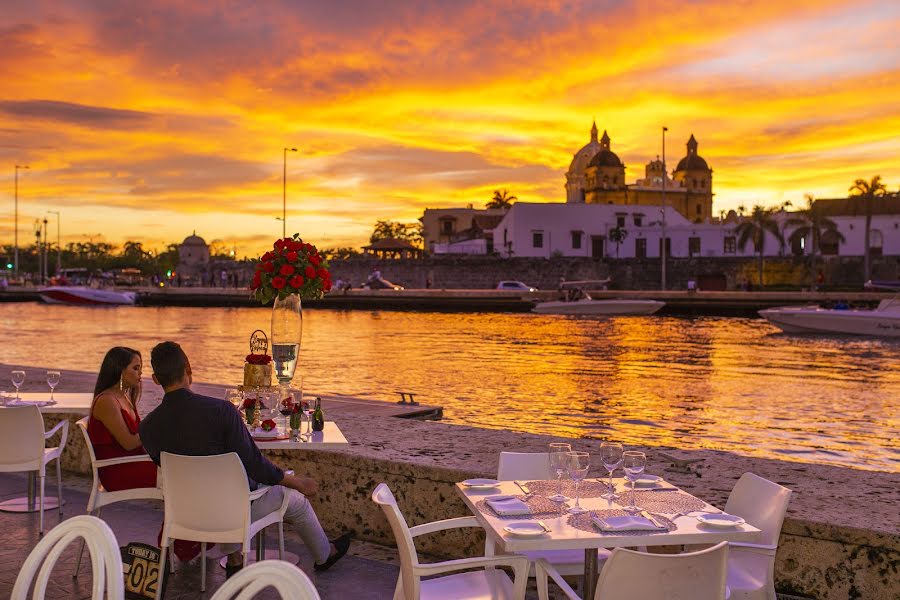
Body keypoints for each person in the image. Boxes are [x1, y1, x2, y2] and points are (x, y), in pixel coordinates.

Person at [139, 342, 350, 578]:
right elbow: (255, 464)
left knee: (230, 491)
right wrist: (298, 482)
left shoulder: (148, 428)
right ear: (189, 368)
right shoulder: (221, 411)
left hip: (186, 517)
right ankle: (326, 554)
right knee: (294, 500)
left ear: (156, 379)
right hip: (232, 514)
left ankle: (235, 558)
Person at [88, 347, 200, 561]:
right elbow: (129, 443)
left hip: (133, 463)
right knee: (179, 476)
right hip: (116, 472)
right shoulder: (107, 401)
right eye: (136, 368)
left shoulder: (124, 397)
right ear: (120, 370)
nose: (141, 374)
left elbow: (139, 439)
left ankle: (182, 538)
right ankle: (174, 540)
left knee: (183, 470)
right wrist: (157, 423)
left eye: (141, 367)